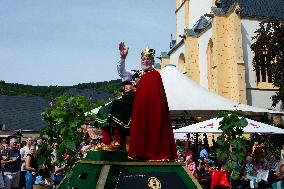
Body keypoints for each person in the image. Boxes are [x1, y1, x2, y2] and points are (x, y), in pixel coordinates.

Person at [118, 42, 177, 161]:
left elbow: (154, 96)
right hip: (134, 107)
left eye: (148, 59)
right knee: (114, 108)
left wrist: (135, 89)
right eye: (143, 59)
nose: (145, 61)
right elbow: (122, 72)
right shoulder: (136, 74)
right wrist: (123, 57)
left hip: (148, 108)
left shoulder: (155, 75)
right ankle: (114, 142)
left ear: (152, 61)